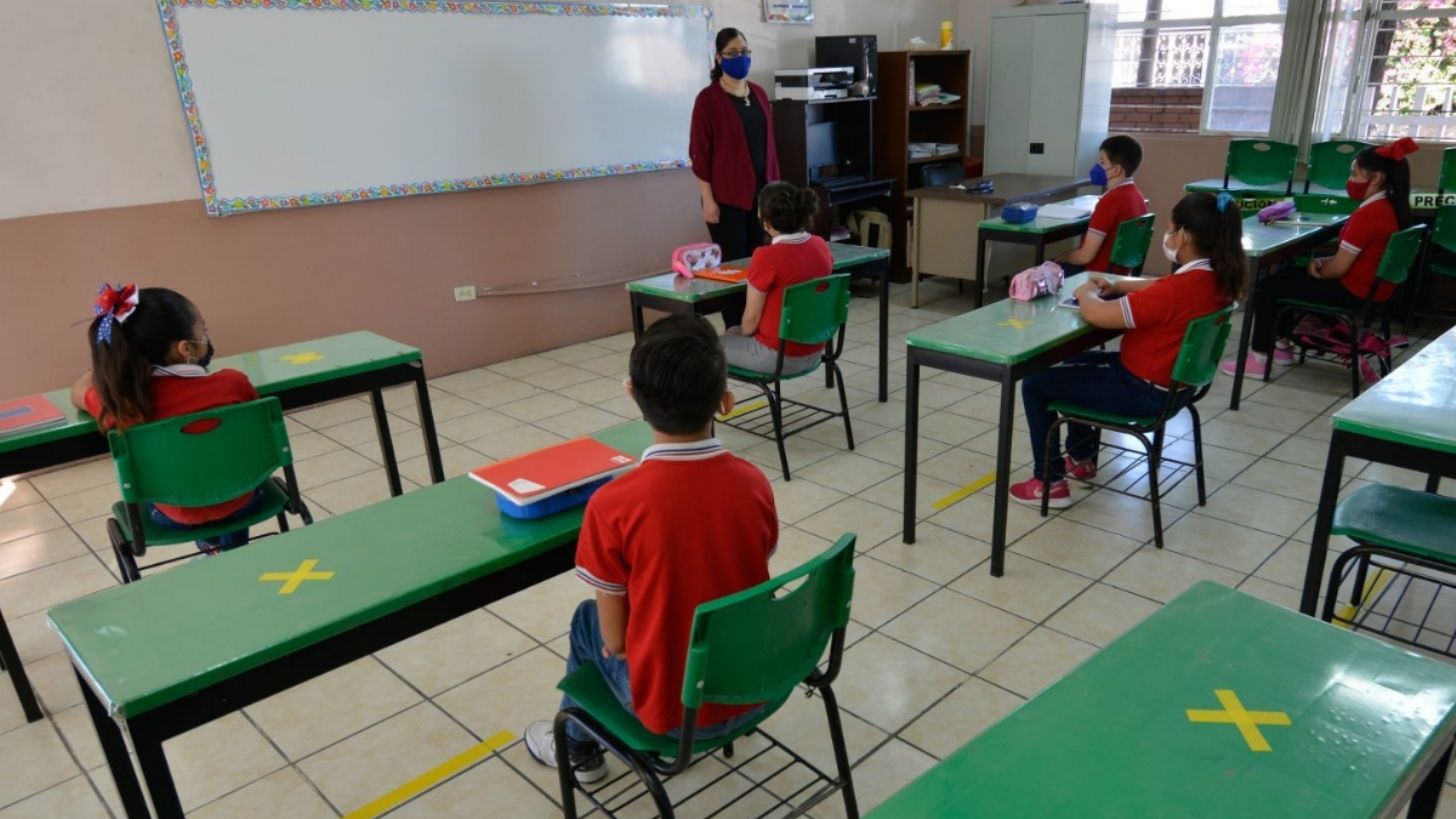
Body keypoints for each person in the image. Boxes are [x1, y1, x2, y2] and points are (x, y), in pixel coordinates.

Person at [524, 314, 778, 784]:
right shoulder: (754, 482)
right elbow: (745, 571)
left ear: (632, 394)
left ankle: (578, 750)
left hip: (674, 716)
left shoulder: (612, 505)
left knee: (587, 621)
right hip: (756, 688)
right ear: (725, 402)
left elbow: (615, 641)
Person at [1011, 192, 1246, 507]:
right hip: (1176, 388)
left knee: (1036, 383)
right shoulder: (1217, 279)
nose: (1167, 237)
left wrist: (1085, 293)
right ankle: (1080, 458)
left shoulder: (1176, 291)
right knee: (1071, 363)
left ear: (1184, 237)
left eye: (1170, 230)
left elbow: (1098, 315)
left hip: (1141, 391)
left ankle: (1049, 483)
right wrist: (1120, 285)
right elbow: (1163, 287)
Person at [70, 284, 264, 554]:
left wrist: (111, 367)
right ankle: (231, 551)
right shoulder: (233, 384)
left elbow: (77, 391)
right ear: (186, 349)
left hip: (174, 515)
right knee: (224, 472)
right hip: (243, 499)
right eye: (203, 332)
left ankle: (214, 547)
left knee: (182, 484)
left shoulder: (121, 407)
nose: (206, 337)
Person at [1219, 137, 1418, 380]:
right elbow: (1355, 257)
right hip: (1376, 289)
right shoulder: (1393, 208)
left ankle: (1260, 358)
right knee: (1286, 277)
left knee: (1267, 287)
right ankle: (1281, 346)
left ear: (1375, 178)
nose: (1350, 181)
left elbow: (1339, 269)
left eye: (1355, 175)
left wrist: (1319, 268)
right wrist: (1323, 261)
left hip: (1352, 291)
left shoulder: (1369, 215)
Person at [689, 27, 781, 328]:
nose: (740, 58)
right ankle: (734, 327)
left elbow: (769, 147)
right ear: (718, 58)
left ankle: (755, 325)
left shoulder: (759, 93)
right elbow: (700, 155)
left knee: (758, 263)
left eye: (744, 51)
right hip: (726, 199)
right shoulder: (708, 99)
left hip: (761, 196)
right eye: (732, 53)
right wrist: (708, 200)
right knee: (733, 267)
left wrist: (774, 194)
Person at [721, 182, 833, 375]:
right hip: (815, 351)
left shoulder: (765, 257)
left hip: (776, 357)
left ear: (765, 222)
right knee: (732, 333)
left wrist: (743, 333)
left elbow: (751, 321)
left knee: (705, 346)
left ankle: (713, 394)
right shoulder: (821, 245)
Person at [1056, 135, 1149, 274]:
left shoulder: (1110, 202)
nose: (1098, 167)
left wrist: (1066, 256)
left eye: (1102, 162)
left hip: (1094, 274)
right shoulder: (1137, 196)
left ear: (1117, 170)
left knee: (1037, 273)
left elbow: (1084, 257)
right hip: (1119, 273)